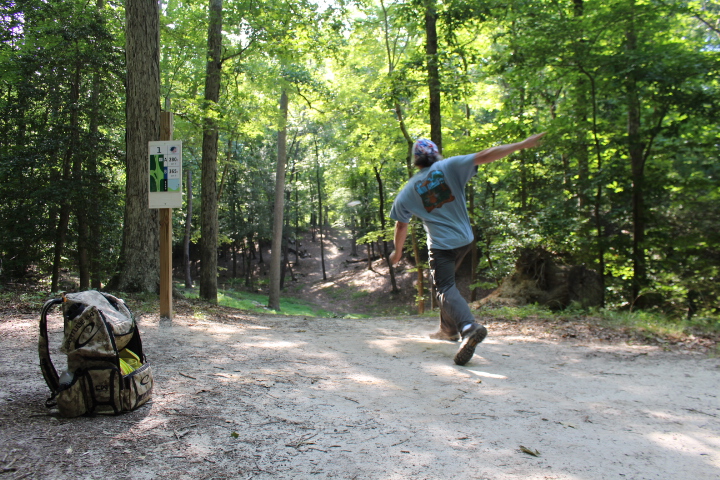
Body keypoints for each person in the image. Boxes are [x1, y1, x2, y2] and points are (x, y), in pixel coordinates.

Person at [389, 133, 546, 366]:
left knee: (444, 287)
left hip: (442, 246)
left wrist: (397, 252)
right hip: (465, 240)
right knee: (447, 283)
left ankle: (468, 327)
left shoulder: (407, 191)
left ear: (416, 162)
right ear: (436, 155)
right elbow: (484, 155)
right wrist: (522, 144)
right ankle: (448, 330)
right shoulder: (449, 167)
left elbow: (401, 225)